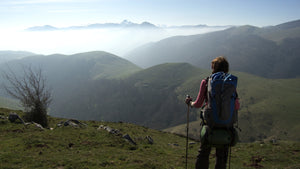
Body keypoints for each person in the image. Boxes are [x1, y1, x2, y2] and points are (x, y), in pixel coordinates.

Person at [185, 56, 240, 169]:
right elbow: (237, 105)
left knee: (204, 152)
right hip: (226, 124)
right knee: (222, 156)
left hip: (210, 124)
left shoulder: (206, 81)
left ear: (213, 67)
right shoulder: (231, 83)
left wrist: (189, 103)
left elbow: (198, 104)